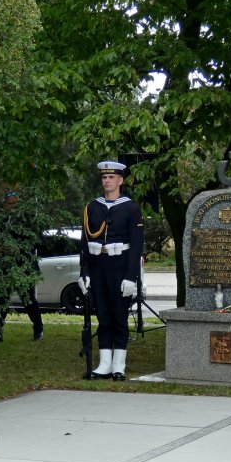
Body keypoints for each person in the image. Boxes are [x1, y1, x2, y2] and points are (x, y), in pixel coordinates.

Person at [78, 161, 144, 381]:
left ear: (120, 180)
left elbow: (136, 245)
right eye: (104, 178)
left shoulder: (131, 208)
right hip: (98, 266)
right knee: (103, 315)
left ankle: (119, 364)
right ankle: (104, 363)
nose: (106, 181)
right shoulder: (92, 207)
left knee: (119, 317)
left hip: (120, 265)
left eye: (111, 177)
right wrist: (84, 272)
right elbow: (84, 242)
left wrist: (131, 276)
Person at [0, 191, 44, 343]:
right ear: (5, 205)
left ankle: (38, 329)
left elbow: (37, 242)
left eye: (14, 203)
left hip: (24, 267)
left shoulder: (28, 221)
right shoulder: (5, 222)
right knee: (1, 300)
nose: (11, 207)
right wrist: (0, 248)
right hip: (6, 266)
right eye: (9, 203)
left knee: (28, 300)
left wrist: (18, 249)